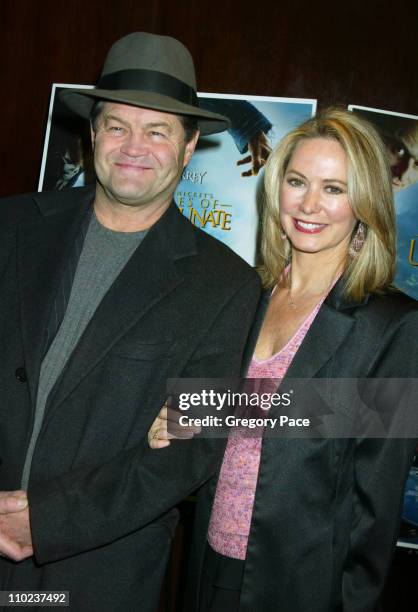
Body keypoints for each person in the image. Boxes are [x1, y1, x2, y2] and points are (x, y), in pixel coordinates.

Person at [0, 32, 261, 611]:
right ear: (93, 135)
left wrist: (47, 520)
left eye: (158, 130)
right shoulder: (10, 227)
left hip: (95, 577)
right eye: (117, 126)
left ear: (189, 147)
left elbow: (189, 452)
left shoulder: (227, 286)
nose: (133, 146)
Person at [149, 108, 418, 611]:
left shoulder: (395, 325)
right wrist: (177, 417)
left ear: (365, 202)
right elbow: (242, 416)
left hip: (301, 589)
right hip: (208, 567)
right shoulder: (245, 294)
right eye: (297, 181)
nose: (310, 204)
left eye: (334, 188)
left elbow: (376, 509)